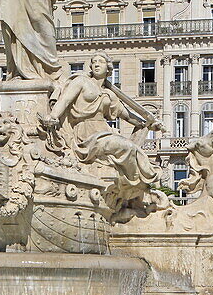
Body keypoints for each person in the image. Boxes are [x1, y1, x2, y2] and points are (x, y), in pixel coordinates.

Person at [44, 54, 164, 217]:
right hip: (85, 133)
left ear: (108, 68)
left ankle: (133, 185)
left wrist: (147, 124)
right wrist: (53, 116)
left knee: (132, 149)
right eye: (93, 62)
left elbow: (126, 115)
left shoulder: (109, 93)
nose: (96, 65)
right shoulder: (81, 81)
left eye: (100, 62)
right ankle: (143, 178)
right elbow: (64, 101)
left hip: (103, 130)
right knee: (125, 146)